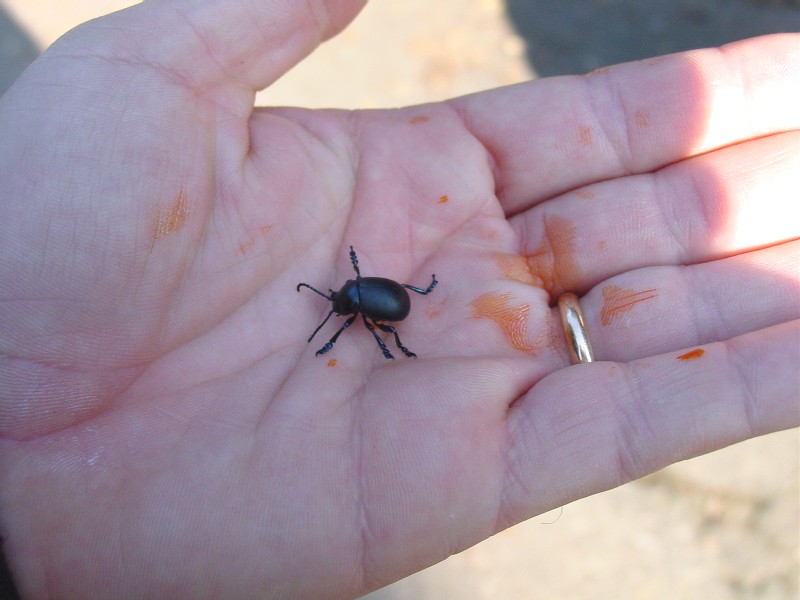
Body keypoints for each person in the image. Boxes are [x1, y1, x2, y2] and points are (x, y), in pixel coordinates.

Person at [0, 1, 797, 597]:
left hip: (390, 299)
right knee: (378, 319)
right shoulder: (351, 293)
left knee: (378, 320)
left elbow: (365, 304)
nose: (334, 308)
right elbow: (363, 300)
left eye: (337, 303)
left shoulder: (353, 298)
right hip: (389, 298)